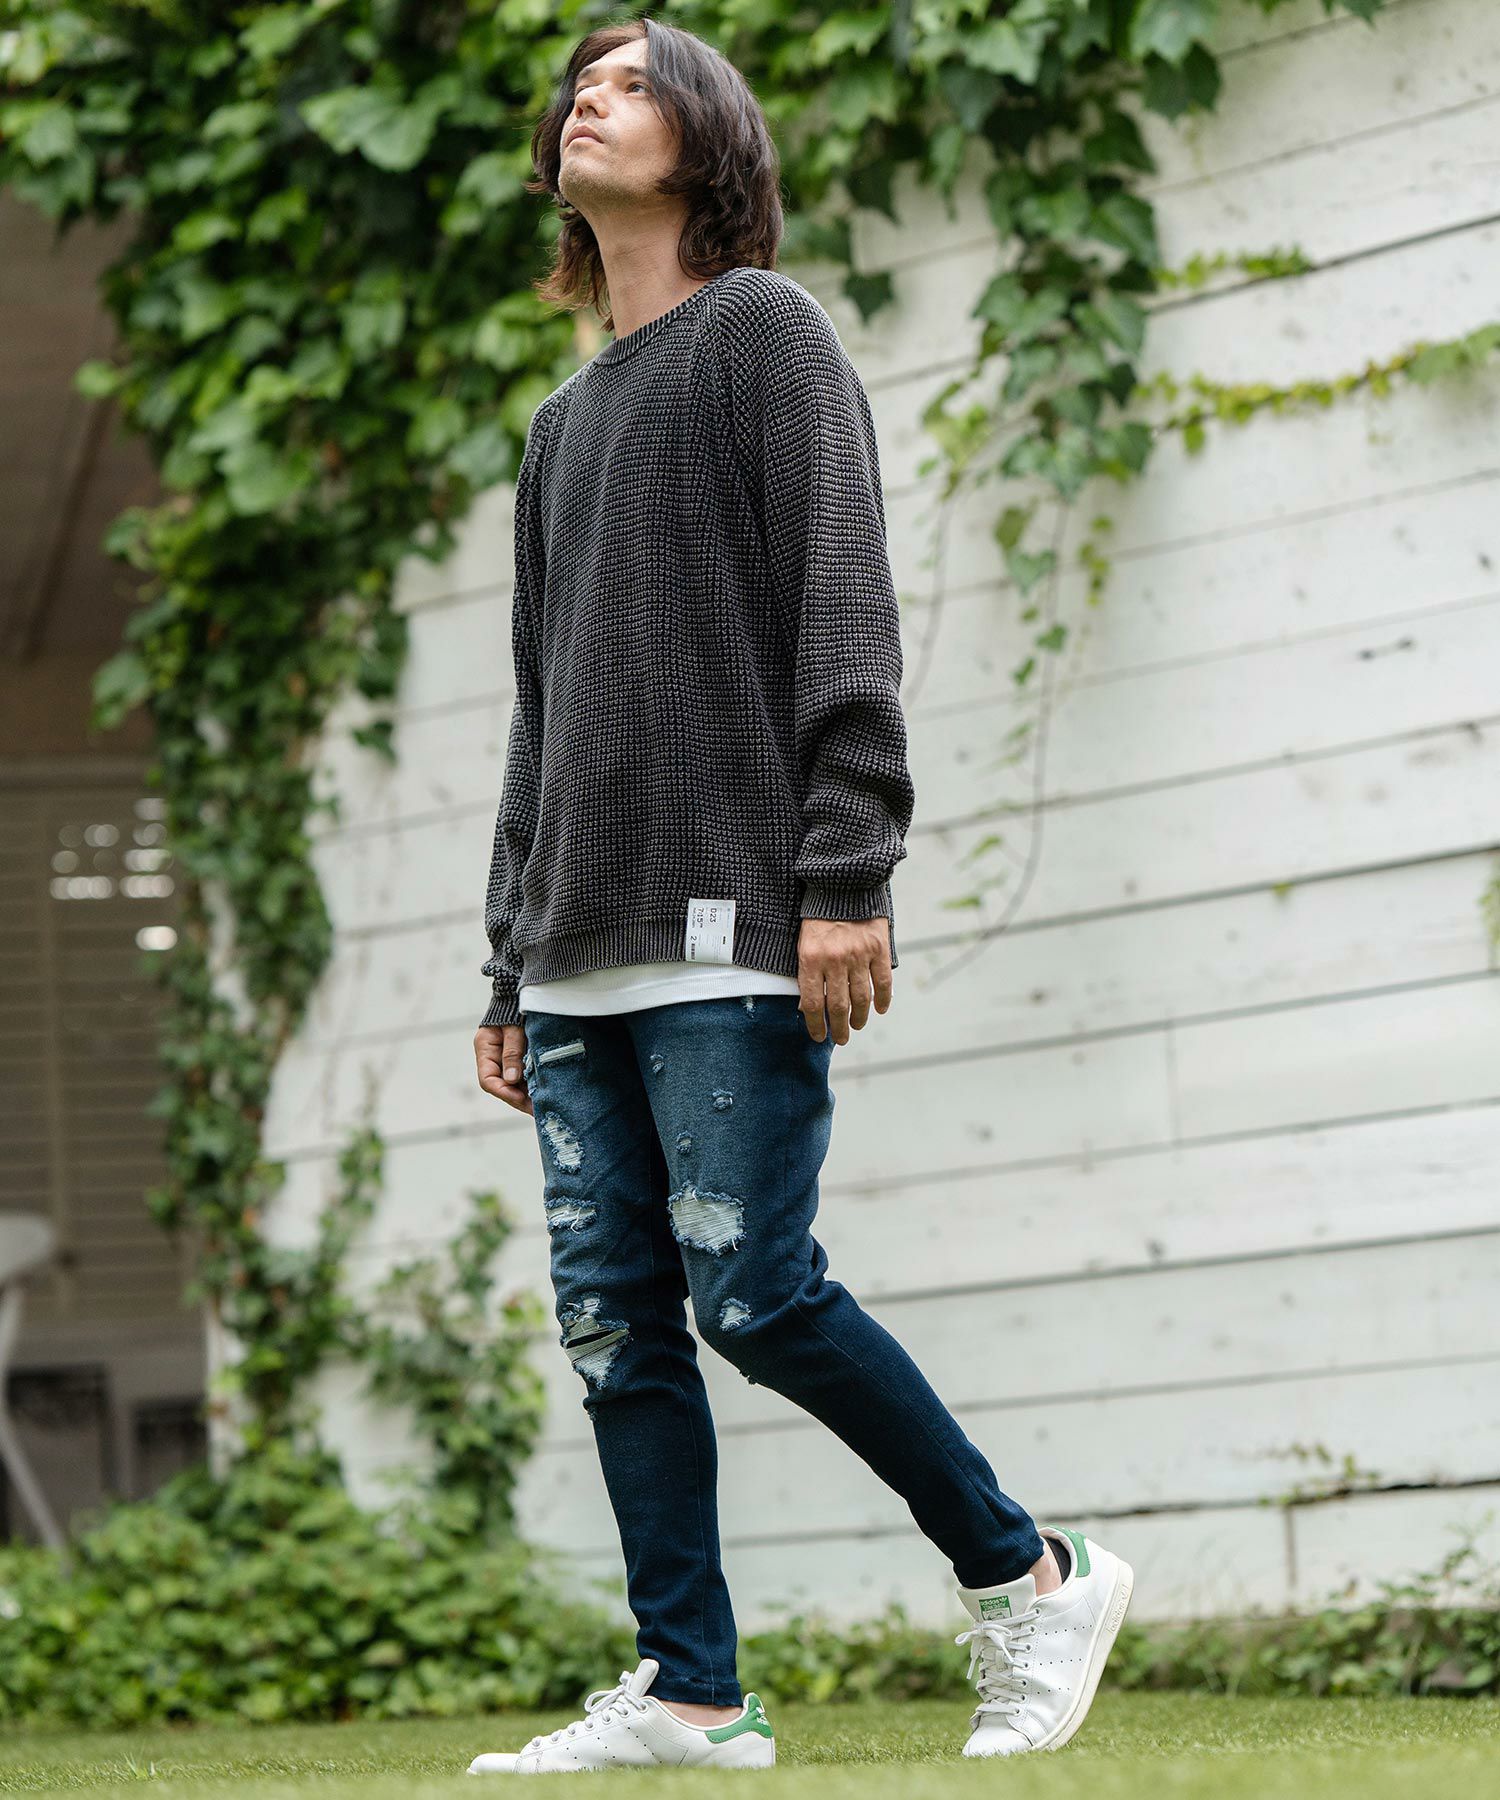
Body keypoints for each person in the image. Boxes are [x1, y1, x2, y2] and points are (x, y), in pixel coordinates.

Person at [467, 16, 1133, 1776]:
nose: (590, 93)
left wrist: (848, 875)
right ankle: (692, 1691)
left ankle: (1033, 1575)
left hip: (732, 925)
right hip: (574, 948)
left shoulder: (765, 333)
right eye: (581, 80)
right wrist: (505, 962)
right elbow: (544, 706)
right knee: (615, 1329)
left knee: (752, 1293)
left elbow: (844, 604)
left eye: (632, 78)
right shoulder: (558, 426)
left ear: (707, 138)